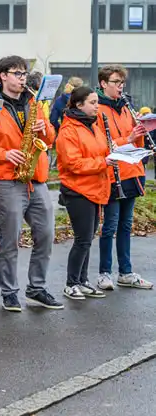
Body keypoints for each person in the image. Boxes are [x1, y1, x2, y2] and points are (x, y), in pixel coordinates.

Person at [0, 55, 63, 312]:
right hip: (7, 180)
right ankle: (9, 292)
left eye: (24, 73)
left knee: (46, 234)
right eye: (17, 73)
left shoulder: (35, 101)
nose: (22, 78)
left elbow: (50, 138)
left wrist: (44, 128)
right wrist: (2, 154)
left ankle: (36, 288)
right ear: (3, 76)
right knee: (10, 240)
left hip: (35, 178)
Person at [95, 65, 153, 291]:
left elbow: (135, 142)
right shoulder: (97, 109)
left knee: (126, 225)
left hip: (131, 172)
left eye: (122, 83)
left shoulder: (127, 108)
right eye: (116, 82)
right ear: (103, 83)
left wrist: (142, 132)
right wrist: (128, 138)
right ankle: (104, 273)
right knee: (109, 226)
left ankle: (126, 272)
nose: (120, 87)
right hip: (112, 173)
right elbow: (102, 145)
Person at [55, 87, 111, 300]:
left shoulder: (93, 126)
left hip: (95, 188)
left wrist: (125, 146)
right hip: (77, 190)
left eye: (97, 102)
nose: (97, 106)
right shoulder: (69, 130)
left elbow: (103, 150)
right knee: (82, 239)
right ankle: (71, 283)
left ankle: (83, 280)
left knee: (88, 238)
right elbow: (73, 163)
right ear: (79, 105)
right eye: (92, 102)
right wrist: (103, 162)